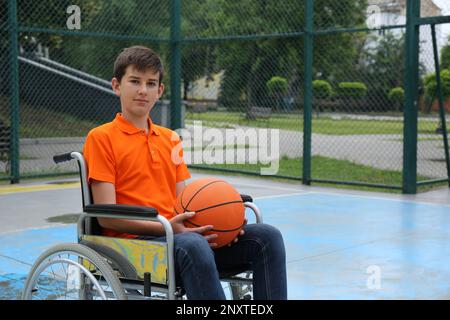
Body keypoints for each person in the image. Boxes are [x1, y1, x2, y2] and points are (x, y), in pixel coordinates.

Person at [83, 45, 287, 300]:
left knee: (267, 237)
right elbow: (106, 217)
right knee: (193, 244)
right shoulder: (101, 138)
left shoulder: (169, 139)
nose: (143, 90)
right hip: (132, 247)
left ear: (160, 90)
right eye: (134, 81)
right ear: (116, 85)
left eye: (151, 83)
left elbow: (186, 202)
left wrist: (225, 223)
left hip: (181, 239)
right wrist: (169, 227)